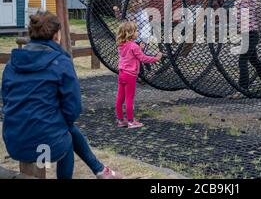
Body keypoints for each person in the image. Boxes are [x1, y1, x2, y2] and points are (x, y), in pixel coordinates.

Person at [1, 11, 122, 179]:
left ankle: (100, 170)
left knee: (61, 129)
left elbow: (6, 99)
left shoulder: (11, 64)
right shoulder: (61, 62)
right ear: (56, 35)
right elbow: (73, 108)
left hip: (14, 139)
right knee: (67, 138)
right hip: (46, 140)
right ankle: (99, 170)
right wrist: (60, 123)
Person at [116, 21, 162, 129]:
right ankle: (131, 122)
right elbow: (143, 58)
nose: (138, 32)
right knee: (129, 98)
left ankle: (120, 120)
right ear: (130, 33)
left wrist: (139, 49)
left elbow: (130, 56)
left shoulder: (121, 45)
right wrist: (156, 58)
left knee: (120, 98)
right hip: (130, 75)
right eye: (136, 31)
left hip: (122, 73)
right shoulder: (133, 46)